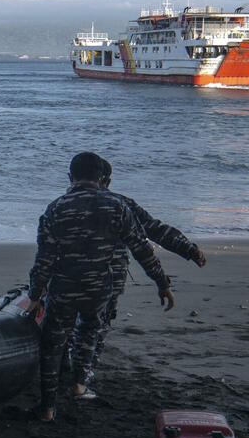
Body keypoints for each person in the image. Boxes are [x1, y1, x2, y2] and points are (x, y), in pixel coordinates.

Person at [26, 152, 175, 422]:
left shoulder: (56, 207)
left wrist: (35, 293)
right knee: (89, 332)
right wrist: (162, 282)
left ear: (70, 177)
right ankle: (79, 386)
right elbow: (141, 247)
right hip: (100, 288)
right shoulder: (117, 207)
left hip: (65, 288)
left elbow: (44, 258)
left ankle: (48, 408)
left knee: (52, 344)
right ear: (103, 179)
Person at [70, 156, 207, 392]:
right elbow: (153, 231)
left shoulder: (64, 203)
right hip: (108, 277)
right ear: (108, 181)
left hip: (68, 275)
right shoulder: (121, 204)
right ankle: (82, 377)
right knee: (97, 326)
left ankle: (70, 370)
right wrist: (187, 249)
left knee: (72, 323)